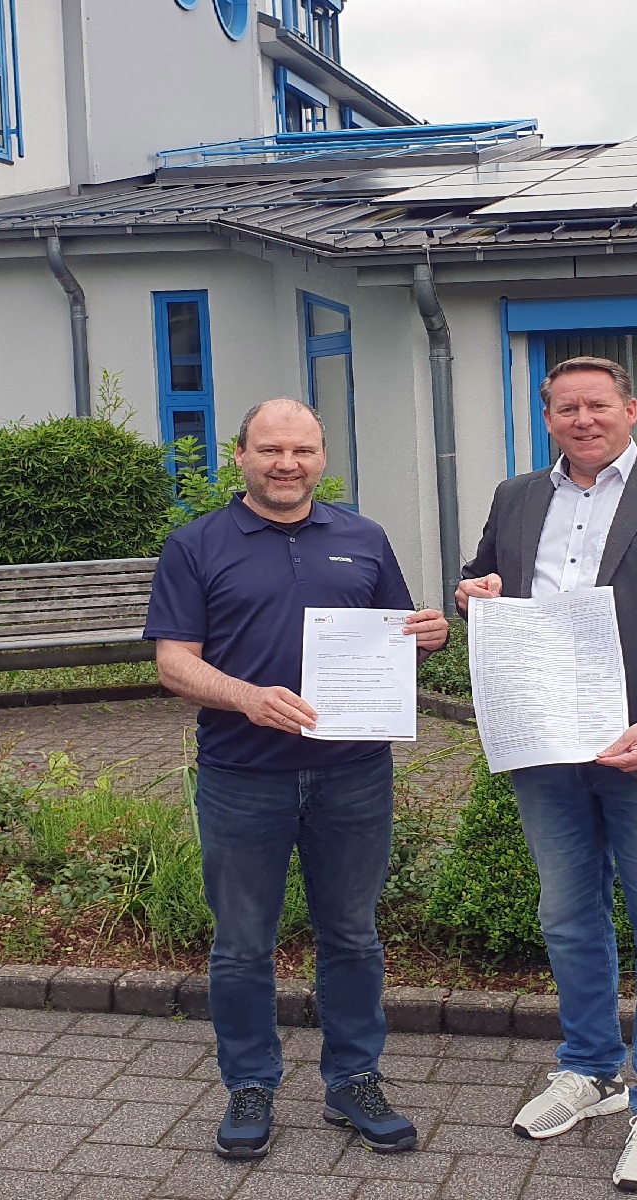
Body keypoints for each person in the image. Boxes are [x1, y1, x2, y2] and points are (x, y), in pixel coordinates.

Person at [456, 357, 637, 1194]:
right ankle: (586, 1070)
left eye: (598, 405)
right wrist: (477, 593)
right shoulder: (518, 497)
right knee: (568, 916)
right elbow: (490, 581)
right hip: (547, 746)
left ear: (631, 409)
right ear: (547, 418)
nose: (583, 419)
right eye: (565, 408)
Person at [146, 398, 449, 1161]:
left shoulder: (363, 537)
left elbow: (393, 642)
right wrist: (248, 697)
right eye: (272, 449)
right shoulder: (196, 545)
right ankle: (250, 1084)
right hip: (242, 776)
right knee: (243, 944)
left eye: (304, 450)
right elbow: (173, 661)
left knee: (351, 935)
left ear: (322, 457)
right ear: (241, 455)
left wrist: (429, 635)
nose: (289, 464)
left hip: (352, 774)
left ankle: (354, 1080)